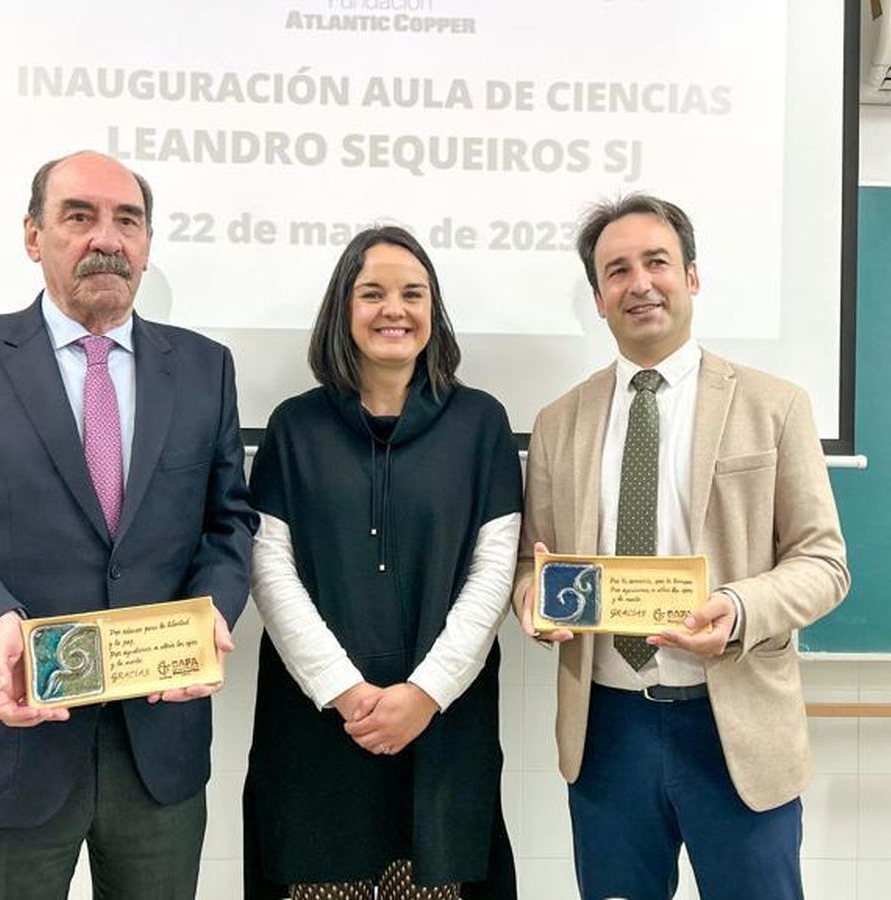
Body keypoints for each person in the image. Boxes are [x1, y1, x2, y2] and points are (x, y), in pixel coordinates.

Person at [0, 151, 256, 899]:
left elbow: (228, 522)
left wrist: (211, 609)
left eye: (128, 221)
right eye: (79, 216)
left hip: (158, 758)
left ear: (146, 244)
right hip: (10, 745)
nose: (106, 238)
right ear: (33, 236)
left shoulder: (205, 369)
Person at [515, 194, 849, 900]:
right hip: (608, 731)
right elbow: (531, 564)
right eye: (617, 271)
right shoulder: (557, 422)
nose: (639, 283)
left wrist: (738, 607)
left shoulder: (775, 405)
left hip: (735, 725)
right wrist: (533, 602)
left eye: (657, 262)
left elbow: (823, 563)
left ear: (691, 276)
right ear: (599, 299)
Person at [243, 226, 522, 900]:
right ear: (343, 309)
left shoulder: (481, 423)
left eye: (412, 294)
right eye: (372, 293)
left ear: (434, 310)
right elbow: (269, 569)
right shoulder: (294, 427)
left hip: (442, 720)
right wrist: (346, 691)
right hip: (318, 721)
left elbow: (493, 574)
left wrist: (424, 695)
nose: (393, 309)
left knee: (434, 873)